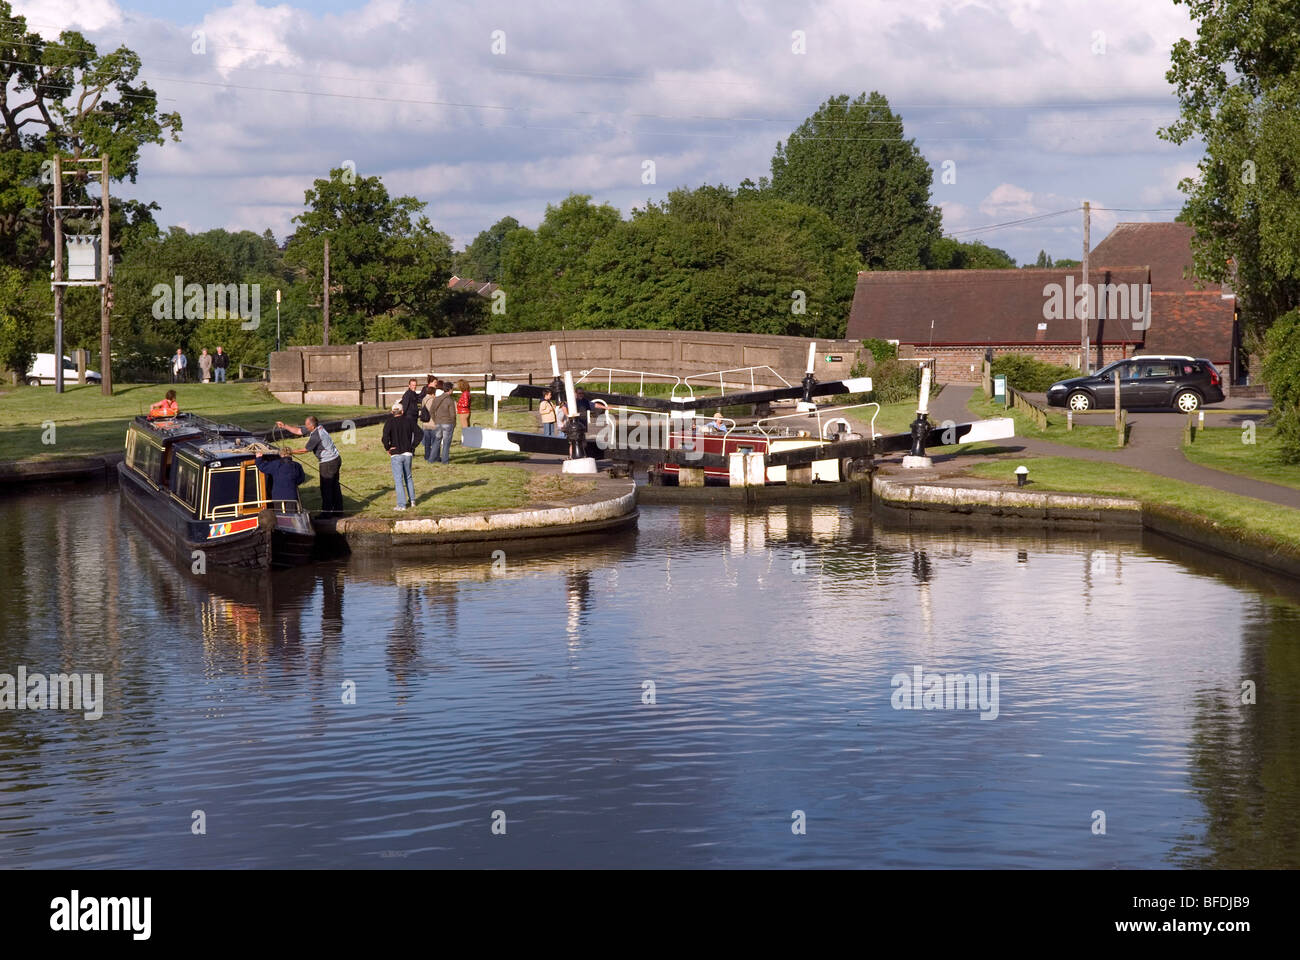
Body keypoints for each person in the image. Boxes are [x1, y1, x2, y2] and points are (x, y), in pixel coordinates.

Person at [276, 415, 344, 516]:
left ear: (312, 426)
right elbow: (299, 431)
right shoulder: (317, 427)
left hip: (328, 463)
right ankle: (339, 511)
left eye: (307, 425)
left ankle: (327, 514)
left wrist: (290, 451)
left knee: (326, 489)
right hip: (335, 459)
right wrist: (284, 426)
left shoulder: (317, 435)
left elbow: (305, 450)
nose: (305, 426)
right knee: (335, 486)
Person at [382, 401, 421, 510]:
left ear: (392, 412)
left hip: (396, 454)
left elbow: (385, 437)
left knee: (398, 480)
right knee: (408, 477)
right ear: (402, 411)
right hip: (408, 453)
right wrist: (413, 446)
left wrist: (388, 448)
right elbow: (419, 433)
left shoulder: (389, 422)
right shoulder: (409, 421)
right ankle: (412, 501)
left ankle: (401, 505)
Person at [429, 380, 457, 464]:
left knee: (436, 441)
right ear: (450, 390)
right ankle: (445, 461)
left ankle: (431, 459)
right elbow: (453, 415)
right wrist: (454, 423)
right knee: (446, 443)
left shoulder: (436, 399)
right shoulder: (450, 400)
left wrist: (435, 420)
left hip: (438, 423)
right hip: (448, 423)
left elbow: (431, 411)